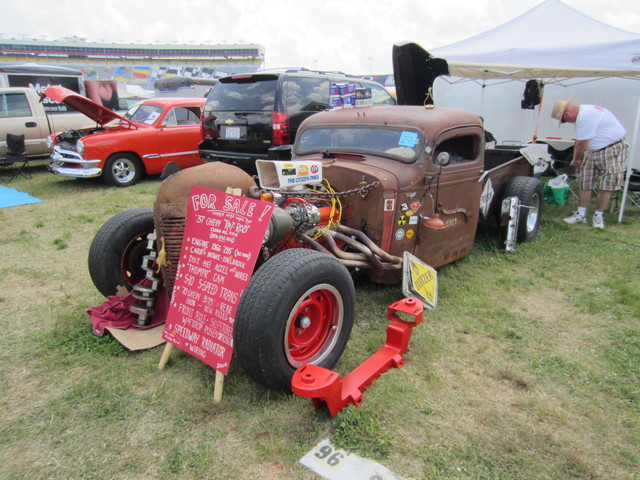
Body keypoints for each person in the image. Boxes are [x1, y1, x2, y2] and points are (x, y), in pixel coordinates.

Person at [550, 99, 628, 229]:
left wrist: (576, 160)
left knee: (606, 184)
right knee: (585, 182)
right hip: (593, 150)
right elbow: (582, 140)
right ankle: (581, 214)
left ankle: (598, 216)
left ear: (567, 114)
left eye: (564, 120)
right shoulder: (584, 113)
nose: (566, 122)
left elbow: (581, 142)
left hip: (612, 149)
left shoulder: (586, 115)